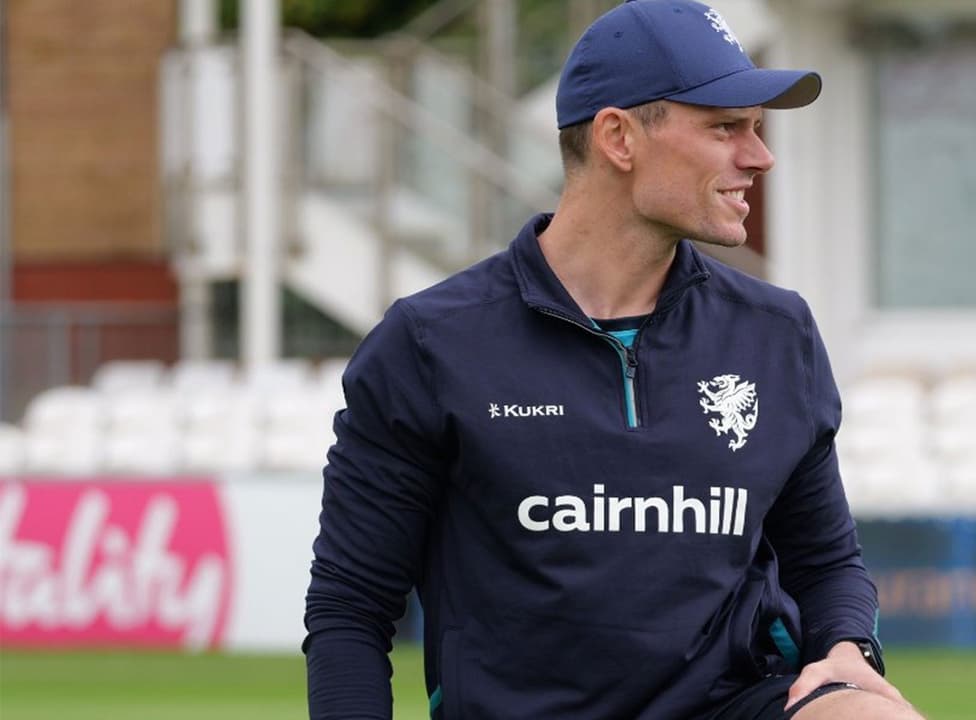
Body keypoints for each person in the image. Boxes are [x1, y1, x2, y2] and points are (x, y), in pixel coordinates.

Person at [304, 1, 923, 718]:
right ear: (618, 138)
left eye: (756, 128)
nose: (760, 156)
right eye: (726, 127)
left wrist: (847, 646)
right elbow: (350, 607)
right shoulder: (428, 344)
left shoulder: (777, 333)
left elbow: (825, 562)